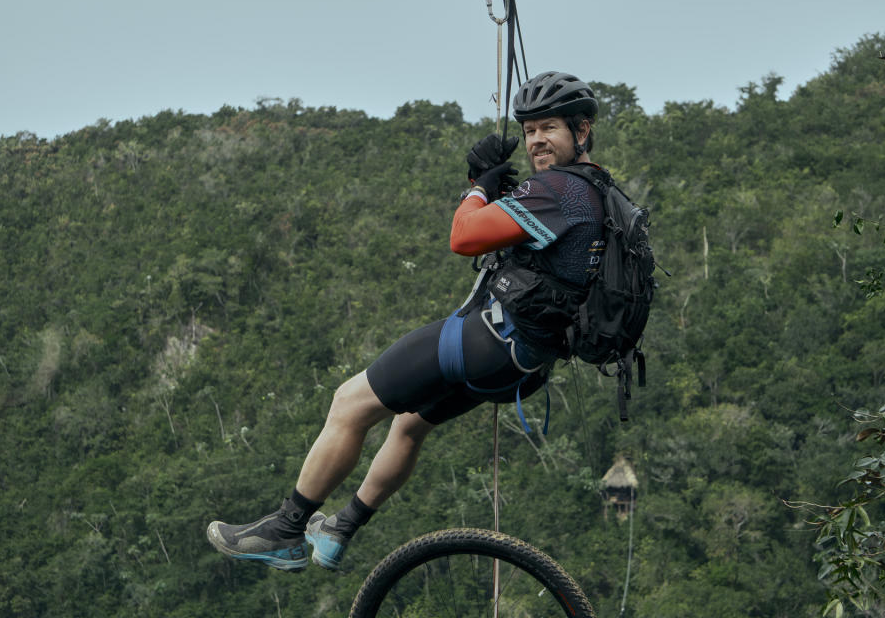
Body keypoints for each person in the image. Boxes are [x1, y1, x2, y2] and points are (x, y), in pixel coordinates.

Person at [206, 71, 606, 571]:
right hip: (526, 363)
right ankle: (339, 529)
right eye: (529, 131)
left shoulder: (557, 190)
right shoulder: (598, 192)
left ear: (582, 130)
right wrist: (483, 186)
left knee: (350, 402)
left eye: (549, 128)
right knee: (410, 423)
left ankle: (286, 529)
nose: (536, 141)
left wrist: (479, 188)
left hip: (490, 340)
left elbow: (464, 237)